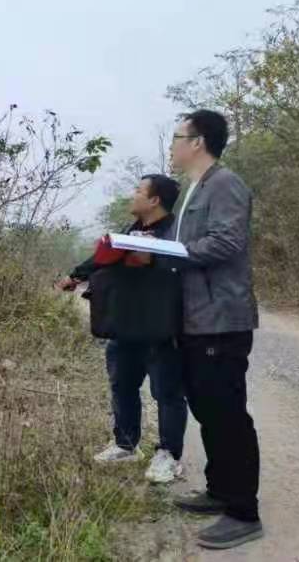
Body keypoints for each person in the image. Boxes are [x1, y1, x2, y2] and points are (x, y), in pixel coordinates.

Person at [169, 110, 263, 550]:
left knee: (227, 413)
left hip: (221, 319)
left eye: (177, 136)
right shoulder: (195, 187)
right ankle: (220, 489)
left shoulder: (225, 184)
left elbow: (227, 241)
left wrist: (171, 252)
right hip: (196, 319)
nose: (172, 145)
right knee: (207, 409)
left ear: (198, 141)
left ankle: (243, 511)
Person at [58, 174, 188, 484]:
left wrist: (153, 260)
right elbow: (103, 257)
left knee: (166, 392)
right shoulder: (133, 230)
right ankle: (126, 444)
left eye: (139, 191)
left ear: (154, 200)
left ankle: (169, 455)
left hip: (160, 325)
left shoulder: (177, 232)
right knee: (122, 384)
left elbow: (185, 267)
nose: (133, 195)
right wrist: (75, 276)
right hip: (125, 322)